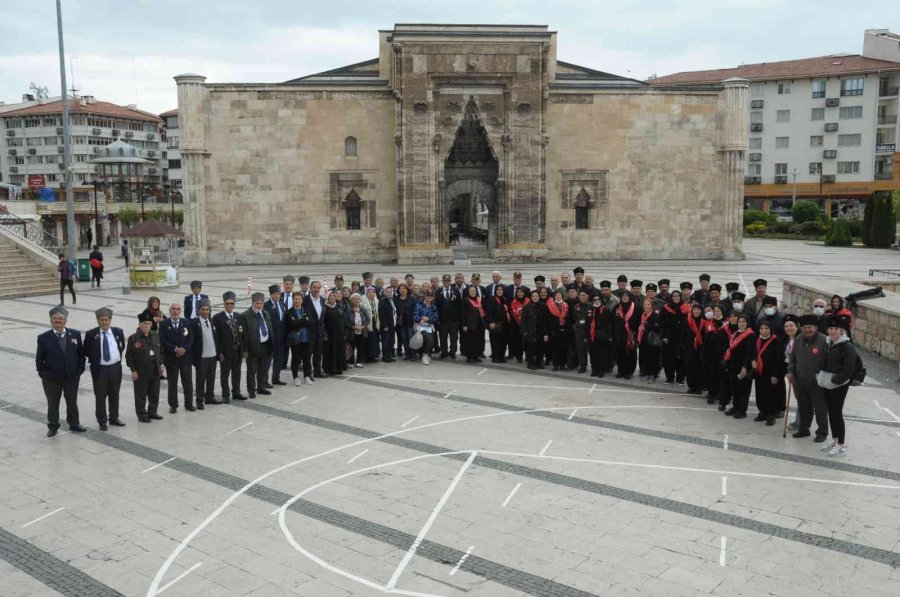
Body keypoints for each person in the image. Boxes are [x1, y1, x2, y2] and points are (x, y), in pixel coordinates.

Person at [35, 306, 86, 437]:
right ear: (51, 321)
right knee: (53, 404)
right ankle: (53, 426)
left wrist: (79, 371)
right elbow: (39, 359)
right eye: (55, 319)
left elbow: (81, 355)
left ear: (65, 321)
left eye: (61, 319)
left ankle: (74, 424)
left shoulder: (74, 334)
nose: (58, 321)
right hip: (51, 379)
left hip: (71, 377)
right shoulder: (43, 337)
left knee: (72, 402)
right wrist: (43, 374)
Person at [817, 317, 857, 456]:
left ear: (841, 330)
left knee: (837, 413)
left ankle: (841, 444)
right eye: (831, 329)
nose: (833, 331)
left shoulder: (847, 346)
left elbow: (849, 368)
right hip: (827, 382)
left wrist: (835, 380)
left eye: (836, 329)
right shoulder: (828, 342)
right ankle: (835, 441)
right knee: (832, 413)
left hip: (838, 384)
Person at [83, 307, 126, 430]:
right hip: (100, 370)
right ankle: (102, 420)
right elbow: (86, 350)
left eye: (106, 320)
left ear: (110, 320)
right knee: (100, 395)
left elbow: (121, 347)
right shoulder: (91, 334)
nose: (104, 322)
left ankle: (114, 417)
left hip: (115, 368)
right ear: (98, 321)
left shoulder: (118, 332)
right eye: (101, 320)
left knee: (114, 394)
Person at [125, 313, 164, 423]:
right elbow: (129, 356)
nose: (146, 326)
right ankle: (142, 415)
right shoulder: (134, 338)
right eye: (144, 323)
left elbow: (161, 352)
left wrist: (161, 365)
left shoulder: (155, 335)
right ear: (139, 324)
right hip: (141, 372)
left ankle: (152, 412)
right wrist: (133, 370)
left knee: (154, 393)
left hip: (155, 369)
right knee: (141, 394)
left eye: (149, 323)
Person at [159, 303, 194, 413]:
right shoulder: (164, 324)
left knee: (187, 382)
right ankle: (173, 405)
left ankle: (189, 404)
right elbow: (163, 340)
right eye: (173, 309)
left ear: (181, 311)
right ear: (169, 310)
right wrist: (175, 349)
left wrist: (184, 349)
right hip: (171, 358)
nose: (175, 311)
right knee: (172, 383)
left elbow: (191, 338)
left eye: (178, 309)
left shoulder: (186, 322)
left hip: (185, 358)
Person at [212, 291, 246, 402]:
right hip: (225, 352)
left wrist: (244, 349)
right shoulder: (218, 318)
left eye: (232, 303)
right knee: (225, 374)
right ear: (224, 304)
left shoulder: (238, 316)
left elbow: (242, 334)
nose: (230, 305)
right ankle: (225, 394)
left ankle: (236, 392)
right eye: (227, 303)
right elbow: (216, 337)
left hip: (237, 350)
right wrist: (219, 352)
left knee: (237, 373)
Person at [723, 313, 756, 419]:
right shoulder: (736, 333)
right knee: (735, 388)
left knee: (743, 389)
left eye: (743, 322)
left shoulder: (750, 335)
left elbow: (750, 352)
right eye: (740, 321)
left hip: (743, 365)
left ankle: (742, 410)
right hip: (734, 365)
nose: (741, 323)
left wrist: (745, 366)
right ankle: (735, 407)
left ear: (747, 323)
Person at [751, 320, 784, 426]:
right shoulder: (758, 340)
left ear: (770, 330)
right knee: (760, 393)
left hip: (771, 373)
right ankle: (763, 412)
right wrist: (753, 361)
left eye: (766, 328)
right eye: (761, 328)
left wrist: (775, 375)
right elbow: (754, 354)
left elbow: (779, 360)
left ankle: (771, 415)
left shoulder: (776, 341)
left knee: (771, 394)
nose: (763, 330)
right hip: (759, 371)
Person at [242, 292, 273, 396]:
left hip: (265, 345)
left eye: (261, 303)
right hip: (253, 347)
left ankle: (261, 387)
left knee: (263, 369)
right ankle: (251, 390)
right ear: (253, 303)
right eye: (257, 303)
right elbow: (244, 335)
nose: (259, 305)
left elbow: (269, 329)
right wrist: (245, 350)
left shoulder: (266, 313)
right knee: (252, 370)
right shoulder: (246, 315)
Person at [191, 299, 220, 408]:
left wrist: (218, 353)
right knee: (200, 379)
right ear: (198, 311)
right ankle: (199, 400)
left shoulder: (212, 321)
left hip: (212, 354)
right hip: (202, 356)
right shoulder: (194, 323)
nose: (205, 312)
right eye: (203, 309)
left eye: (207, 309)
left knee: (211, 378)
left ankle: (210, 397)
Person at [285, 291, 313, 385]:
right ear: (293, 300)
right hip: (296, 340)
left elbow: (310, 322)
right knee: (295, 359)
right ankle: (295, 377)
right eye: (296, 299)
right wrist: (304, 319)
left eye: (299, 299)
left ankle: (307, 376)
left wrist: (299, 321)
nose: (297, 301)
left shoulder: (306, 310)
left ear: (302, 300)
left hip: (306, 339)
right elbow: (293, 324)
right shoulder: (290, 312)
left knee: (307, 359)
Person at [702, 304, 727, 405]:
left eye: (718, 311)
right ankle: (711, 394)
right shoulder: (709, 323)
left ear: (722, 312)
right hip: (711, 354)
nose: (716, 313)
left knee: (721, 375)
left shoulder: (726, 324)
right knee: (711, 374)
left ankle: (721, 395)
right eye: (715, 311)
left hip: (722, 354)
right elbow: (705, 339)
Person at [303, 281, 327, 379]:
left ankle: (317, 371)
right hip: (309, 331)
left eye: (318, 288)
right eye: (314, 288)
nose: (316, 290)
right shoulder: (305, 300)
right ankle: (308, 373)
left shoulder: (322, 299)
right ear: (310, 288)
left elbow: (321, 316)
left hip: (319, 332)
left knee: (318, 353)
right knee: (308, 354)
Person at [660, 290, 685, 384]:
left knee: (680, 359)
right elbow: (661, 323)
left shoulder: (685, 308)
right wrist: (664, 336)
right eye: (674, 296)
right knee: (668, 359)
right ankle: (669, 378)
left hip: (681, 337)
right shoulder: (666, 308)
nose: (676, 297)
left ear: (680, 297)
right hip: (669, 337)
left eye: (678, 296)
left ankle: (680, 378)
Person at [264, 285, 287, 386]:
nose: (277, 296)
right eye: (275, 294)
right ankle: (264, 380)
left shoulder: (282, 304)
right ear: (271, 295)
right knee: (268, 361)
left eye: (278, 294)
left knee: (279, 359)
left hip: (281, 337)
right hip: (271, 338)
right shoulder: (266, 306)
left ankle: (276, 378)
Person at [681, 303, 705, 395]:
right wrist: (681, 346)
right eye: (695, 309)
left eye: (698, 310)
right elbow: (683, 334)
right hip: (689, 347)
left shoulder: (703, 321)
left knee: (699, 368)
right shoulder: (687, 320)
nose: (696, 311)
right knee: (689, 368)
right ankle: (691, 386)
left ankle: (699, 387)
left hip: (700, 348)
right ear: (692, 310)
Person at [589, 293, 614, 377]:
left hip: (603, 335)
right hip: (592, 335)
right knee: (593, 353)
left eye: (598, 299)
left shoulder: (605, 310)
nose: (596, 301)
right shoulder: (590, 310)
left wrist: (609, 336)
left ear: (601, 300)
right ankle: (594, 369)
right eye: (594, 300)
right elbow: (587, 324)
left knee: (602, 354)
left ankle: (601, 370)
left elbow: (610, 324)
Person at [521, 290, 547, 370]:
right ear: (530, 297)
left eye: (536, 296)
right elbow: (523, 321)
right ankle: (530, 363)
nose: (535, 298)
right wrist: (525, 332)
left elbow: (545, 320)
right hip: (530, 331)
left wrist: (545, 332)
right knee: (530, 348)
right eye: (533, 296)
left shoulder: (543, 306)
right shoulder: (526, 307)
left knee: (540, 347)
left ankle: (539, 362)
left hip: (540, 331)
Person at [322, 291, 347, 375]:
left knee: (338, 350)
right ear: (328, 297)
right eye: (330, 296)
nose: (332, 297)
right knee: (329, 350)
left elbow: (343, 319)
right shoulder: (325, 307)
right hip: (329, 334)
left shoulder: (339, 306)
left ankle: (338, 367)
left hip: (339, 334)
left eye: (333, 295)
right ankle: (329, 369)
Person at [637, 297, 661, 382]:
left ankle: (653, 375)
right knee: (645, 358)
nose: (646, 306)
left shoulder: (655, 315)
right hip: (643, 340)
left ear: (652, 306)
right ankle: (647, 373)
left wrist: (647, 326)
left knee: (653, 359)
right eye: (645, 304)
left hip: (652, 341)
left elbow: (658, 328)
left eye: (648, 304)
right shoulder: (643, 314)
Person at [461, 285, 486, 363]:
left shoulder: (478, 300)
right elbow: (463, 313)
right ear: (468, 292)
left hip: (479, 324)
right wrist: (464, 324)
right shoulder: (466, 300)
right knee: (470, 342)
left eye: (474, 291)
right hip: (470, 324)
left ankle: (476, 356)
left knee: (477, 341)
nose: (473, 292)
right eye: (471, 291)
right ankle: (470, 357)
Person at [546, 290, 571, 371]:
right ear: (554, 296)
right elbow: (548, 320)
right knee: (555, 349)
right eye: (556, 295)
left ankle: (563, 365)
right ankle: (555, 365)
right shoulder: (550, 306)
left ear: (562, 296)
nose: (558, 297)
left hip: (564, 331)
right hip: (554, 330)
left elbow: (568, 319)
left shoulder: (566, 305)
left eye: (559, 295)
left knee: (564, 349)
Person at [485, 284, 510, 363]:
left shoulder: (505, 299)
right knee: (495, 342)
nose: (500, 291)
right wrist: (491, 322)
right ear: (495, 291)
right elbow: (489, 312)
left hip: (505, 324)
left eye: (501, 290)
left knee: (503, 341)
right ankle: (495, 357)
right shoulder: (492, 299)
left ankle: (501, 356)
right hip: (495, 324)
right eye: (498, 290)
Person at [413, 290, 439, 364]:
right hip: (420, 326)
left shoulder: (433, 306)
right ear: (424, 296)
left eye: (431, 296)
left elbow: (436, 317)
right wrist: (421, 318)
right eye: (428, 295)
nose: (429, 297)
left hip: (430, 326)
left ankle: (427, 354)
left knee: (431, 342)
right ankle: (424, 356)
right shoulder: (419, 305)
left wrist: (429, 319)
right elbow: (415, 315)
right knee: (429, 340)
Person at [570, 290, 593, 373]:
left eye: (584, 295)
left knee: (591, 350)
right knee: (580, 350)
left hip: (589, 331)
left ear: (587, 296)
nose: (582, 297)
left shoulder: (591, 306)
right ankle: (583, 366)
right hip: (579, 331)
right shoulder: (576, 307)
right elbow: (575, 319)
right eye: (580, 295)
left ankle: (594, 366)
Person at [345, 293, 369, 367]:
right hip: (352, 332)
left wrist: (363, 326)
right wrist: (353, 327)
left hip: (362, 331)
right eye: (354, 299)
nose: (356, 300)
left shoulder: (363, 309)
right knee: (352, 347)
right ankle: (351, 362)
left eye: (358, 298)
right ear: (352, 300)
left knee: (361, 347)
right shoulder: (349, 310)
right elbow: (346, 321)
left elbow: (368, 319)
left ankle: (359, 361)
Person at [394, 283, 416, 361]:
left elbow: (415, 310)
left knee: (411, 338)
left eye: (404, 288)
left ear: (407, 290)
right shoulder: (396, 299)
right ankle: (407, 354)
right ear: (398, 290)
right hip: (400, 323)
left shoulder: (411, 298)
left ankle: (413, 355)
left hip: (410, 322)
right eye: (400, 288)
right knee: (404, 339)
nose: (402, 290)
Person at [508, 287, 529, 363]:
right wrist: (518, 324)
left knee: (527, 342)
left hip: (527, 325)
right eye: (518, 292)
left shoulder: (528, 301)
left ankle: (528, 356)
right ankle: (519, 356)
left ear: (524, 293)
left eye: (521, 292)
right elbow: (512, 314)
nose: (520, 293)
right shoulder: (513, 302)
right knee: (518, 342)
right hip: (516, 325)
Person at [378, 287, 398, 362]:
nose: (389, 293)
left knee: (391, 341)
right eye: (387, 292)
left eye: (390, 292)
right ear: (384, 293)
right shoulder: (383, 302)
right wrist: (385, 325)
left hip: (392, 324)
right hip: (386, 325)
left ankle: (389, 355)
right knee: (386, 342)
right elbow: (382, 315)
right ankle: (385, 357)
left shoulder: (392, 301)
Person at [364, 287, 381, 363]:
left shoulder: (376, 301)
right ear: (367, 293)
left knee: (375, 340)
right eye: (369, 292)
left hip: (375, 323)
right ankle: (368, 357)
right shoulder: (363, 302)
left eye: (372, 292)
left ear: (375, 294)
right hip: (368, 324)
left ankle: (374, 355)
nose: (371, 293)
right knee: (368, 341)